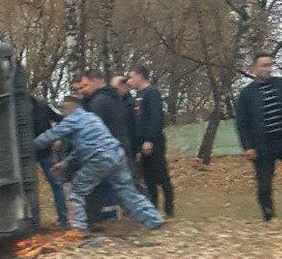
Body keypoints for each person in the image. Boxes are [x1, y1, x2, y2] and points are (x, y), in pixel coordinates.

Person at [33, 96, 164, 236]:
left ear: (70, 108)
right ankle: (154, 221)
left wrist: (26, 146)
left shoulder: (72, 119)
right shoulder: (91, 117)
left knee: (77, 191)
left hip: (99, 159)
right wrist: (65, 162)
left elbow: (50, 136)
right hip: (117, 155)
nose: (61, 112)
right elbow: (85, 146)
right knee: (128, 192)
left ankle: (79, 230)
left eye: (62, 108)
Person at [235, 52, 282, 221]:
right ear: (254, 69)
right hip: (262, 146)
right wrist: (248, 147)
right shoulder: (246, 94)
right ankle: (268, 214)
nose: (268, 69)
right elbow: (242, 123)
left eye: (270, 65)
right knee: (264, 184)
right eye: (263, 66)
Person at [71, 69, 132, 224]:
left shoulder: (98, 102)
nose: (81, 91)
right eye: (77, 89)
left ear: (96, 81)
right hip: (118, 147)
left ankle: (104, 220)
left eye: (84, 86)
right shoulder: (111, 97)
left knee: (102, 186)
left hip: (106, 150)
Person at [127, 66, 175, 217]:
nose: (130, 81)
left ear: (140, 77)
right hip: (141, 144)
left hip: (154, 143)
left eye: (132, 77)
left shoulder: (152, 93)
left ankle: (169, 210)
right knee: (148, 179)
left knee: (161, 176)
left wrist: (149, 140)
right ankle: (153, 209)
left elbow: (156, 118)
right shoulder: (137, 96)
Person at [31, 94, 70, 228]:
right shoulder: (13, 109)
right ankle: (34, 223)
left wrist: (59, 138)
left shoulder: (42, 105)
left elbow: (61, 120)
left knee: (57, 185)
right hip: (26, 156)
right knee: (30, 188)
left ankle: (63, 220)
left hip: (46, 151)